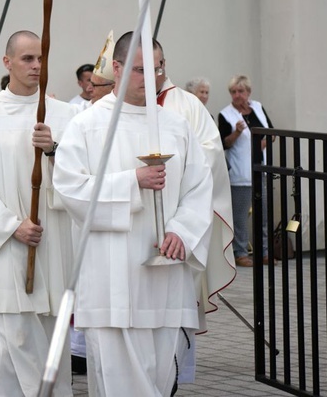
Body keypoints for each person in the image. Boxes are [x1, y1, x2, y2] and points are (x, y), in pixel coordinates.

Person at [53, 33, 214, 396]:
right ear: (118, 68)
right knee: (120, 381)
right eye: (140, 70)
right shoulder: (87, 125)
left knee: (158, 377)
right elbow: (69, 190)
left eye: (157, 69)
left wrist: (183, 233)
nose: (151, 78)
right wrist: (132, 182)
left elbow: (199, 188)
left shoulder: (175, 126)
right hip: (112, 278)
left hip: (165, 277)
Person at [0, 30, 76, 397]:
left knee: (50, 350)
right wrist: (13, 227)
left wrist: (55, 150)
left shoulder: (65, 115)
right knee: (10, 349)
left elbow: (84, 181)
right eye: (27, 58)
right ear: (7, 63)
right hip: (7, 252)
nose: (36, 65)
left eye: (41, 57)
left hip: (52, 246)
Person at [145, 35, 234, 389]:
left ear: (163, 64)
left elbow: (210, 153)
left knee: (176, 303)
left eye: (155, 65)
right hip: (136, 216)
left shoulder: (187, 105)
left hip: (178, 219)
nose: (150, 72)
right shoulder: (117, 107)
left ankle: (172, 377)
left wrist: (177, 166)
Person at [218, 75, 274, 267]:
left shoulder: (257, 107)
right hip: (240, 174)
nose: (236, 95)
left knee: (263, 215)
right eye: (233, 92)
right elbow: (224, 143)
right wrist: (237, 132)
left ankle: (264, 252)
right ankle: (240, 253)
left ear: (248, 92)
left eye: (240, 91)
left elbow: (271, 132)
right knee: (240, 218)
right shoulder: (225, 114)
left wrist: (266, 142)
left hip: (261, 171)